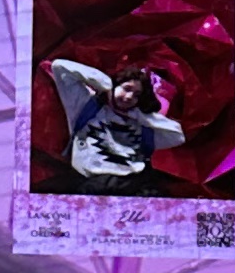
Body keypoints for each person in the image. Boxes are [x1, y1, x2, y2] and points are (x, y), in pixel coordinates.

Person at [46, 55, 187, 190]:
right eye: (127, 88)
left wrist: (138, 114)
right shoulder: (85, 106)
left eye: (137, 95)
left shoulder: (141, 124)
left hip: (131, 186)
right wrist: (106, 84)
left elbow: (177, 136)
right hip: (90, 184)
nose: (129, 97)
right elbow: (59, 66)